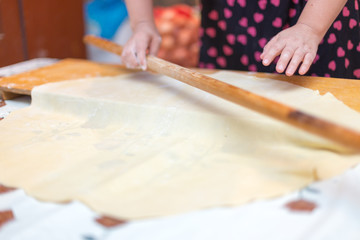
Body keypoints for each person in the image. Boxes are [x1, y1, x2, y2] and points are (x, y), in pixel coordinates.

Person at [121, 0, 360, 79]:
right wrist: (142, 23)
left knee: (322, 116)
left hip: (318, 17)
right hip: (231, 18)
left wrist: (310, 27)